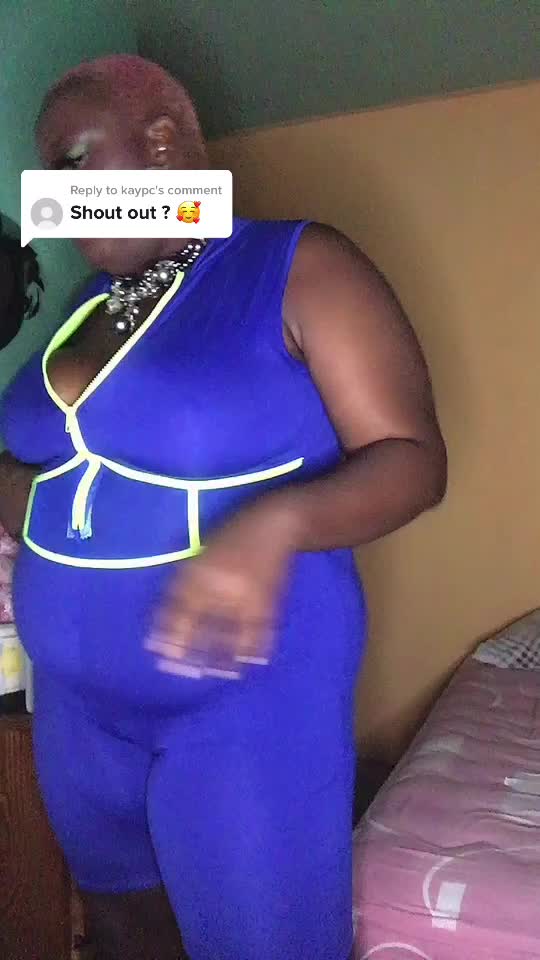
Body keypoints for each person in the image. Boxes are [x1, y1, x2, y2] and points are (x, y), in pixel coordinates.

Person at [0, 55, 447, 960]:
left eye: (71, 162)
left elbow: (412, 461)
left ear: (162, 142)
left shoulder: (297, 265)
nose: (54, 197)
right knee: (120, 931)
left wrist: (274, 525)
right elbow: (47, 470)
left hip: (241, 702)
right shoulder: (85, 308)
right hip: (76, 709)